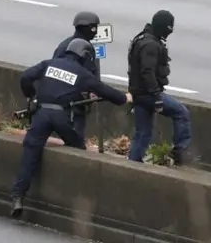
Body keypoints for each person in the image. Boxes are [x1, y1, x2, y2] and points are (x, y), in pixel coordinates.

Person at [10, 38, 132, 218]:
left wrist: (31, 96)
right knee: (77, 148)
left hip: (41, 114)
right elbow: (105, 91)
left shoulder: (49, 64)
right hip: (62, 117)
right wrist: (124, 98)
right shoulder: (82, 74)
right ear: (84, 56)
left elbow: (26, 77)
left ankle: (18, 197)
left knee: (30, 154)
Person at [126, 10, 192, 165]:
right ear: (164, 27)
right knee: (182, 113)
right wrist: (156, 96)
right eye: (169, 29)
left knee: (143, 133)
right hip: (148, 95)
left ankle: (133, 164)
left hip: (138, 94)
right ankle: (180, 151)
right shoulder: (151, 45)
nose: (169, 34)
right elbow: (147, 72)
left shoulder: (141, 38)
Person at [52, 11, 101, 142]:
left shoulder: (68, 44)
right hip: (74, 97)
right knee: (76, 133)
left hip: (73, 96)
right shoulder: (80, 47)